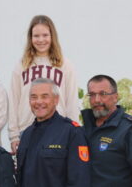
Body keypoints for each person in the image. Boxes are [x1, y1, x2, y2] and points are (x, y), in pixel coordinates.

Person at [8, 15, 80, 153]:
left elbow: (72, 100)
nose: (41, 40)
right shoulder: (22, 65)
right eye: (36, 36)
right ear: (30, 38)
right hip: (27, 130)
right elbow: (14, 100)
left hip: (59, 131)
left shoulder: (65, 65)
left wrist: (74, 132)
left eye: (45, 35)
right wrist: (13, 135)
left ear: (52, 36)